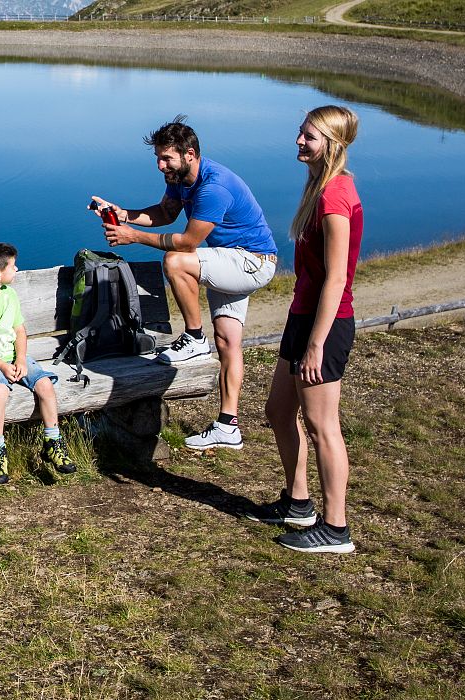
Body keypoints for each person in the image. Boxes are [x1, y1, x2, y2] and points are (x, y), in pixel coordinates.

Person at [91, 115, 279, 452]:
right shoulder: (180, 178)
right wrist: (125, 215)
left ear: (189, 154)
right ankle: (228, 426)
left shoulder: (213, 187)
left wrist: (134, 236)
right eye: (158, 159)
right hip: (229, 257)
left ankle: (193, 337)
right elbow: (164, 214)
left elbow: (188, 241)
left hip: (251, 262)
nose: (161, 166)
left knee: (176, 262)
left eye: (167, 158)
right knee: (228, 341)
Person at [254, 105, 364, 554]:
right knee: (279, 411)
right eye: (300, 134)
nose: (299, 142)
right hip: (303, 317)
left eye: (310, 137)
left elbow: (337, 279)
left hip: (326, 323)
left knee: (322, 426)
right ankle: (298, 503)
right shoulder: (320, 186)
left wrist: (316, 344)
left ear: (333, 144)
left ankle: (336, 529)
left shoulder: (334, 196)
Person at [0, 241, 78, 481]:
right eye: (13, 266)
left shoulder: (10, 294)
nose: (16, 270)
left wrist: (20, 359)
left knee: (45, 385)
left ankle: (53, 441)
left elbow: (20, 331)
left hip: (14, 356)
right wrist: (2, 366)